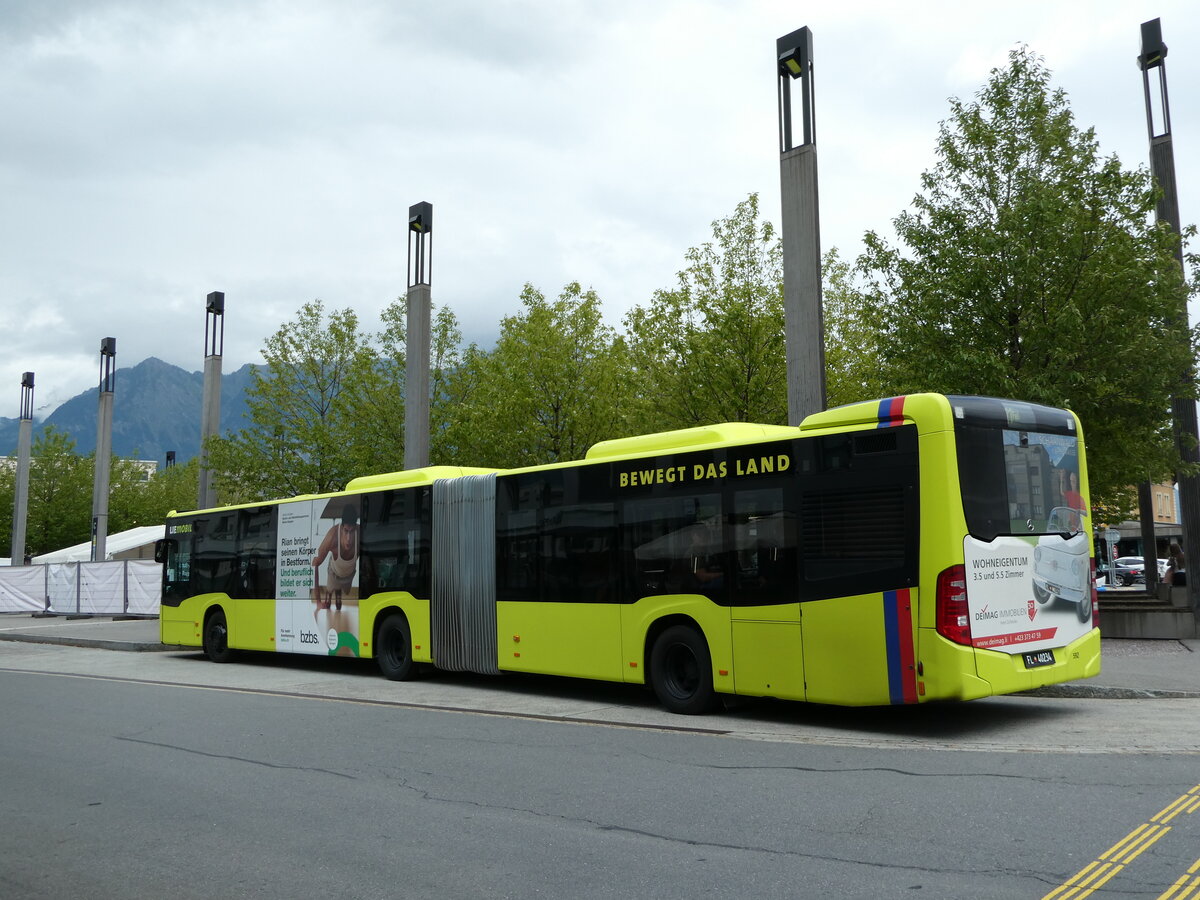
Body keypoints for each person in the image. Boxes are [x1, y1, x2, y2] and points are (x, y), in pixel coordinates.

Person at [313, 503, 360, 611]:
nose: (349, 539)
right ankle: (329, 594)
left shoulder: (360, 534)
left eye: (352, 532)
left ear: (355, 528)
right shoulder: (332, 536)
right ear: (342, 527)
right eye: (346, 531)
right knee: (330, 593)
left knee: (339, 602)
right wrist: (318, 602)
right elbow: (315, 563)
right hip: (333, 570)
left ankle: (337, 591)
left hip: (349, 574)